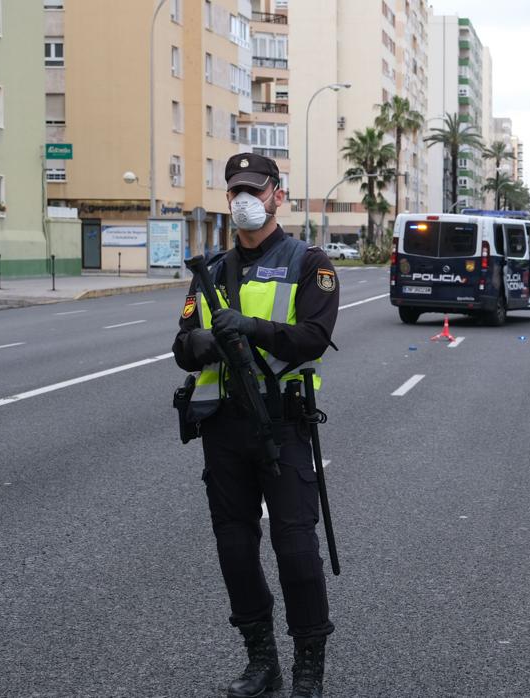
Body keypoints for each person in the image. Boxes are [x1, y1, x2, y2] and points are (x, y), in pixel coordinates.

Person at [172, 153, 338, 698]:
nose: (245, 199)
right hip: (222, 426)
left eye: (256, 189)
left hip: (283, 424)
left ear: (277, 196)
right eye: (236, 190)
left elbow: (313, 336)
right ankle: (261, 660)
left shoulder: (307, 261)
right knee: (235, 548)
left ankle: (308, 665)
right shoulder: (212, 270)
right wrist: (196, 345)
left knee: (295, 547)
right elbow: (183, 345)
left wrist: (252, 327)